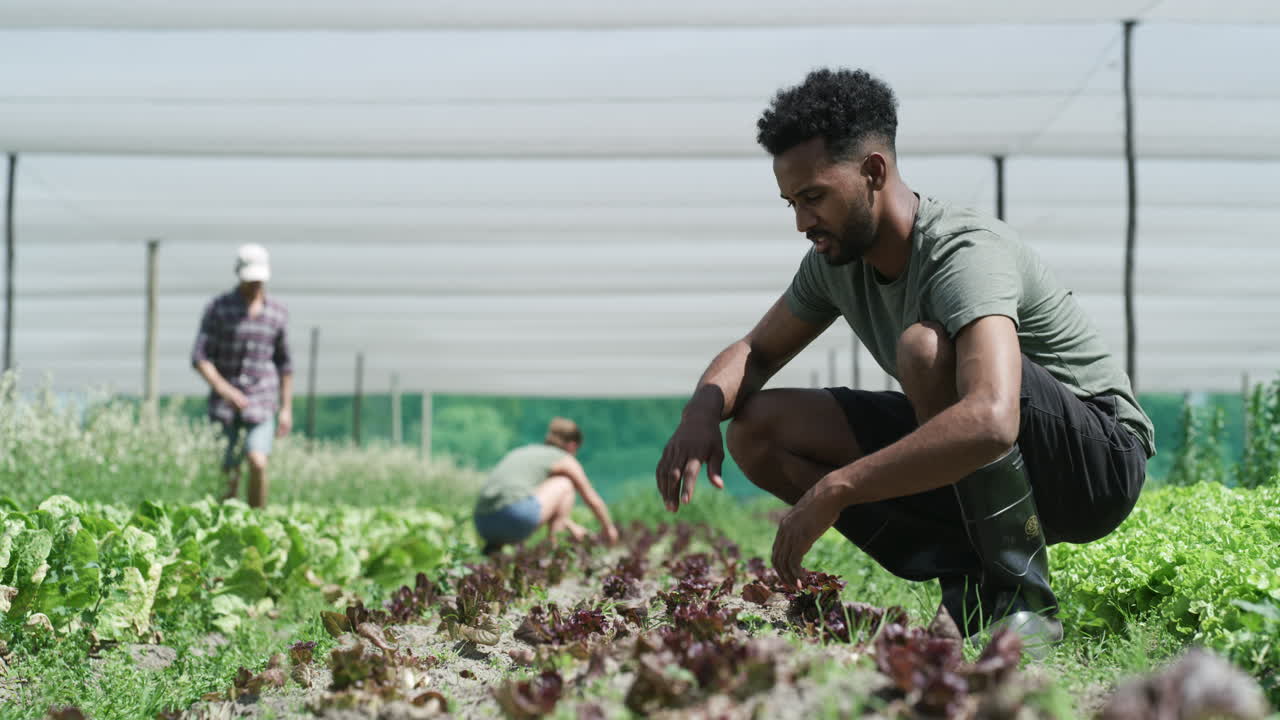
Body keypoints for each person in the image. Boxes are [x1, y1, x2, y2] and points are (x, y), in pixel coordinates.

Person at [655, 69, 1154, 645]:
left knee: (923, 348)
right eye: (791, 202)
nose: (801, 222)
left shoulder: (961, 252)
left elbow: (992, 419)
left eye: (814, 197)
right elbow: (753, 352)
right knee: (757, 430)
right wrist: (698, 416)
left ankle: (1024, 604)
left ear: (873, 171)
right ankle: (968, 584)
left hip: (1095, 462)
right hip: (994, 453)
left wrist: (839, 487)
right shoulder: (834, 263)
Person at [191, 243, 294, 508]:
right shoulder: (218, 309)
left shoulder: (277, 314)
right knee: (230, 471)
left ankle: (257, 520)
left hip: (262, 399)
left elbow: (284, 365)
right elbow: (200, 357)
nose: (255, 285)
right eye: (250, 280)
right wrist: (225, 390)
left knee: (258, 461)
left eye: (259, 280)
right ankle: (229, 521)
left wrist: (286, 409)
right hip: (226, 403)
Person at [474, 418, 620, 555]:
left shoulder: (527, 451)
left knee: (527, 493)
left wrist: (571, 526)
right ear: (572, 446)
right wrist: (609, 529)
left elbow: (532, 503)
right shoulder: (563, 458)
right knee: (565, 483)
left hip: (483, 523)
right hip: (515, 519)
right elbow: (591, 499)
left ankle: (493, 552)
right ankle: (554, 552)